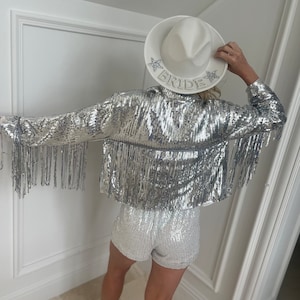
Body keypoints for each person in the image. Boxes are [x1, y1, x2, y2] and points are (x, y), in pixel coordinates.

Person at [0, 16, 286, 300]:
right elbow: (273, 115)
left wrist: (12, 126)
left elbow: (68, 126)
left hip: (134, 222)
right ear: (209, 67)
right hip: (181, 228)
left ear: (161, 59)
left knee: (114, 276)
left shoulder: (127, 105)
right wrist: (246, 71)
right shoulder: (220, 115)